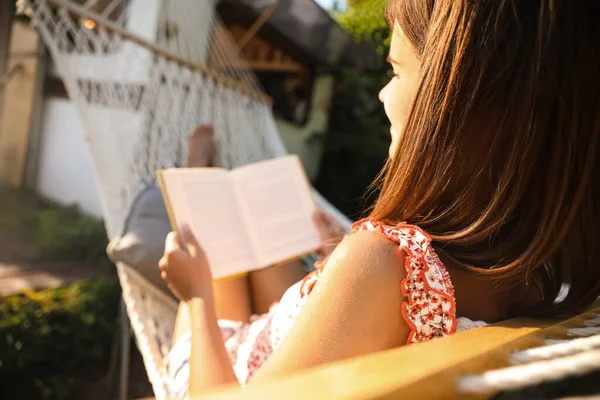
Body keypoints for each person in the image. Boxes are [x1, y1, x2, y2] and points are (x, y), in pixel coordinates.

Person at [161, 0, 600, 397]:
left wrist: (196, 295)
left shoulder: (382, 262)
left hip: (224, 372)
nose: (383, 94)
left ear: (455, 101)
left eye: (394, 71)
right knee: (262, 245)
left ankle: (204, 178)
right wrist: (338, 263)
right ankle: (215, 181)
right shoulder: (534, 278)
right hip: (286, 341)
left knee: (215, 251)